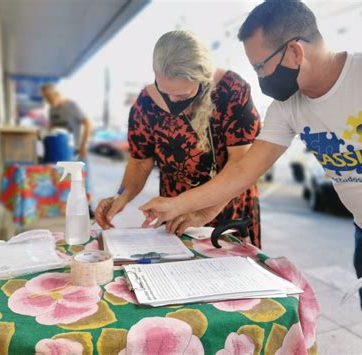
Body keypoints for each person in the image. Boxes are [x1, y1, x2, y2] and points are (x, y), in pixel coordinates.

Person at [140, 1, 362, 354]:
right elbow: (245, 168)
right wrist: (184, 206)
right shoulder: (289, 106)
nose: (259, 77)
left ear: (294, 52)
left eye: (260, 66)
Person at [95, 30, 262, 247]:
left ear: (202, 80)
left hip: (227, 206)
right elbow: (139, 162)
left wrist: (204, 210)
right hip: (175, 213)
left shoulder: (232, 91)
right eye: (164, 91)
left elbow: (241, 165)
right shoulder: (146, 104)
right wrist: (121, 197)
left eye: (182, 95)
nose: (172, 100)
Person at [41, 83, 94, 216]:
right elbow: (51, 126)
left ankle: (88, 207)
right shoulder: (52, 110)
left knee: (82, 180)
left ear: (55, 94)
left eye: (49, 97)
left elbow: (88, 123)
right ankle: (64, 206)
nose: (48, 101)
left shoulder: (71, 106)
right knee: (62, 179)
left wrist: (84, 145)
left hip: (76, 150)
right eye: (45, 99)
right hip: (60, 151)